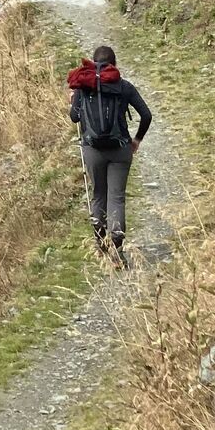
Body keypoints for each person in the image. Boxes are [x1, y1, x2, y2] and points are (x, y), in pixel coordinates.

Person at [67, 44, 152, 265]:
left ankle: (101, 244)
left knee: (98, 195)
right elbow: (146, 115)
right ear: (114, 65)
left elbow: (74, 118)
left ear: (94, 64)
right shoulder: (123, 86)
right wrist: (136, 140)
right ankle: (117, 250)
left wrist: (74, 100)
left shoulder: (83, 87)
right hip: (120, 149)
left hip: (92, 149)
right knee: (117, 197)